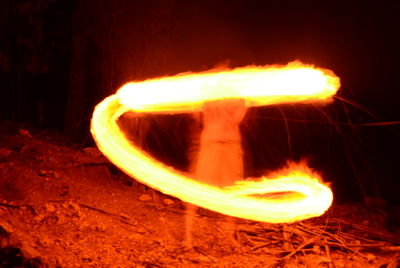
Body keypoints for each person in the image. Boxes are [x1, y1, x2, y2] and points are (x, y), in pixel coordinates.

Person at [185, 98, 247, 249]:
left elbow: (234, 121)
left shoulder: (239, 99)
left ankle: (229, 237)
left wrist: (218, 106)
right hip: (210, 143)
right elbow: (196, 115)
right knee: (198, 187)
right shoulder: (209, 95)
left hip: (231, 145)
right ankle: (187, 237)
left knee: (230, 191)